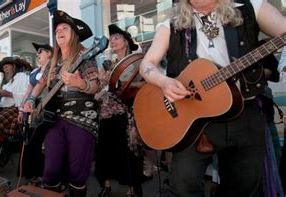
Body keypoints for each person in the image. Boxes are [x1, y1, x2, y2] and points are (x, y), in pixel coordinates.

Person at [138, 0, 286, 196]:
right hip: (193, 119)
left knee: (245, 186)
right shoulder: (171, 25)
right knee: (183, 186)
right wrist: (163, 81)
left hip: (245, 112)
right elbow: (147, 64)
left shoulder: (251, 8)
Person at [23, 10, 99, 196]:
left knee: (77, 173)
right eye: (57, 30)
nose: (59, 32)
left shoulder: (85, 55)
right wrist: (32, 99)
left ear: (74, 34)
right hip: (54, 118)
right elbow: (41, 83)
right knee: (50, 170)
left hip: (81, 119)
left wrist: (79, 83)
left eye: (65, 28)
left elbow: (95, 87)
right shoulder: (53, 61)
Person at [94, 24, 144, 197]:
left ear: (126, 42)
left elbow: (146, 84)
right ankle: (106, 186)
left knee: (129, 153)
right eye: (112, 38)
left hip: (126, 113)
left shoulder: (137, 62)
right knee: (105, 152)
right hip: (107, 113)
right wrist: (98, 91)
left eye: (117, 37)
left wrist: (126, 87)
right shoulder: (107, 64)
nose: (112, 41)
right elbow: (97, 87)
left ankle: (132, 189)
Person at [17, 42, 53, 186]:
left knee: (46, 143)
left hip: (49, 108)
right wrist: (21, 109)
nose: (37, 54)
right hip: (31, 108)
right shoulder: (34, 72)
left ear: (50, 53)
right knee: (31, 141)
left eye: (41, 51)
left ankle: (48, 176)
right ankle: (35, 174)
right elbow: (28, 91)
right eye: (37, 52)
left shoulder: (54, 68)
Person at [0, 57, 31, 139]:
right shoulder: (6, 84)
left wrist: (9, 94)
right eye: (3, 68)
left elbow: (26, 95)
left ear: (14, 66)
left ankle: (4, 144)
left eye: (6, 67)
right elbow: (3, 101)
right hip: (4, 108)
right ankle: (3, 143)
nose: (5, 70)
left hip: (16, 108)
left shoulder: (22, 76)